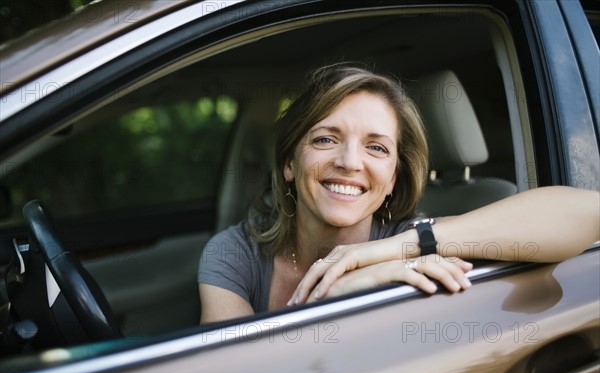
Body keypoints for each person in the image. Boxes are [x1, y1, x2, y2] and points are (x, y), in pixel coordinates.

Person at [198, 63, 599, 324]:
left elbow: (589, 212)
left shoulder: (412, 244)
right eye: (325, 139)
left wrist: (393, 251)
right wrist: (336, 296)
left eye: (377, 147)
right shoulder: (234, 253)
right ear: (289, 164)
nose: (350, 161)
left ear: (392, 178)